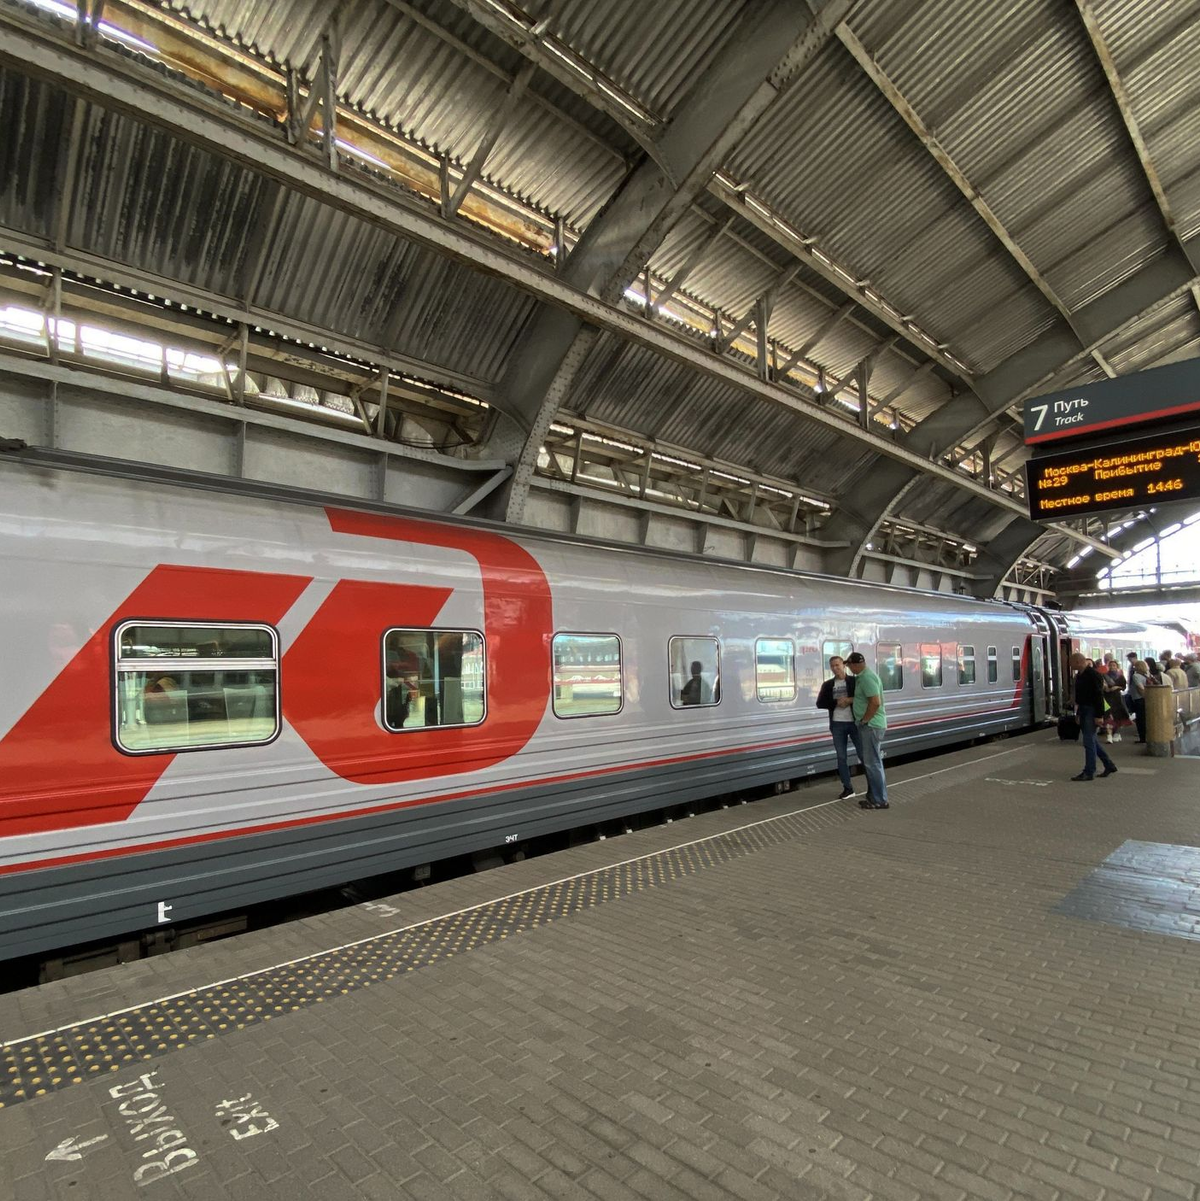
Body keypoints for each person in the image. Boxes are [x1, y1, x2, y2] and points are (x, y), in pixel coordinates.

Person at [845, 652, 888, 810]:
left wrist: (864, 720)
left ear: (856, 665)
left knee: (872, 763)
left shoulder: (867, 678)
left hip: (871, 726)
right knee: (873, 763)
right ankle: (874, 796)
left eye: (849, 665)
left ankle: (879, 800)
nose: (849, 669)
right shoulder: (863, 677)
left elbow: (875, 702)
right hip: (871, 725)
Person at [816, 655, 861, 800]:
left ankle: (873, 787)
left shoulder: (854, 681)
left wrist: (849, 700)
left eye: (837, 665)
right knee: (841, 757)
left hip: (854, 723)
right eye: (832, 666)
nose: (835, 668)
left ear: (843, 665)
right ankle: (847, 788)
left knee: (863, 754)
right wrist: (836, 702)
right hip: (837, 724)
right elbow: (820, 703)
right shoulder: (828, 685)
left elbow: (863, 697)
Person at [1069, 652, 1117, 781]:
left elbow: (1098, 696)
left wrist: (1099, 715)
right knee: (1092, 741)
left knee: (1088, 741)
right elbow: (1080, 697)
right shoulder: (1080, 675)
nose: (1070, 665)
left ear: (1078, 662)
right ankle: (1108, 765)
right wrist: (1078, 713)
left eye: (1071, 663)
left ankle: (1089, 771)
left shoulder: (1093, 675)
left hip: (1092, 710)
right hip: (1084, 709)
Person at [1126, 659, 1149, 743]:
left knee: (1140, 719)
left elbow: (1140, 687)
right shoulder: (1146, 675)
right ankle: (1145, 736)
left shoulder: (1136, 676)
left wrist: (1143, 694)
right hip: (1145, 699)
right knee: (1144, 719)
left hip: (1139, 698)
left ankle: (1142, 738)